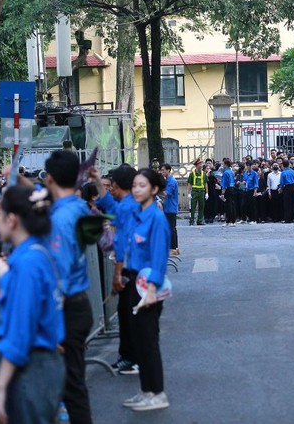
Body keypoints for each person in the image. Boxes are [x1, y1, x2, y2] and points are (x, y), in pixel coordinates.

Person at [0, 186, 66, 424]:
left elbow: (20, 335)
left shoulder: (27, 263)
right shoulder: (37, 253)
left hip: (32, 369)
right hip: (43, 366)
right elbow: (15, 286)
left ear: (12, 219)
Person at [43, 150, 93, 424]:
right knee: (73, 383)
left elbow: (57, 275)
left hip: (66, 310)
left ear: (49, 178)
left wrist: (50, 324)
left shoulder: (60, 219)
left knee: (71, 386)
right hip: (77, 304)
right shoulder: (77, 207)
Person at [121, 169, 171, 412]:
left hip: (148, 287)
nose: (136, 189)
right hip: (133, 282)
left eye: (142, 185)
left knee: (148, 340)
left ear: (153, 189)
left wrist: (151, 290)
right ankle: (145, 390)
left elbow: (159, 258)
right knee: (138, 340)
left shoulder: (157, 218)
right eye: (134, 185)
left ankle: (157, 392)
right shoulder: (136, 213)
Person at [90, 165, 140, 376]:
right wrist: (97, 183)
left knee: (131, 315)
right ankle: (127, 356)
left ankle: (134, 359)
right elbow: (110, 206)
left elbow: (123, 244)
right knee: (126, 314)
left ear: (118, 185)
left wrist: (118, 273)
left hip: (133, 269)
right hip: (133, 268)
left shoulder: (129, 207)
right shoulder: (126, 204)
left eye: (111, 185)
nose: (108, 189)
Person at [159, 164, 180, 256]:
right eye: (161, 170)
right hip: (168, 207)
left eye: (163, 170)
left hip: (170, 207)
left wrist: (155, 191)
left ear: (168, 170)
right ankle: (175, 248)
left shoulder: (171, 181)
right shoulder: (167, 180)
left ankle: (173, 248)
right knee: (171, 228)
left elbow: (166, 194)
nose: (162, 172)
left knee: (171, 229)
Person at [187, 159, 206, 226]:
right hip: (194, 192)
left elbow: (205, 183)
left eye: (201, 163)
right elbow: (189, 184)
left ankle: (199, 220)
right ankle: (191, 221)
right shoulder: (192, 174)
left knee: (201, 207)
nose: (201, 165)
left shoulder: (204, 174)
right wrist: (189, 193)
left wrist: (207, 193)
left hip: (202, 192)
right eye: (200, 163)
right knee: (193, 207)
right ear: (197, 165)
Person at [219, 159, 236, 227]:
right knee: (232, 205)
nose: (222, 165)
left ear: (226, 164)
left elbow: (224, 183)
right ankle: (232, 220)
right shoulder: (231, 172)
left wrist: (223, 191)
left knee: (228, 206)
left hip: (228, 189)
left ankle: (229, 220)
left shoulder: (226, 172)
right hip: (232, 188)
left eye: (223, 164)